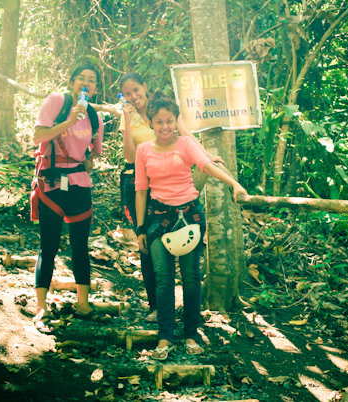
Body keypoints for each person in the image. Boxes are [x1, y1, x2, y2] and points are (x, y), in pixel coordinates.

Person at [95, 72, 222, 322]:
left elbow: (186, 138)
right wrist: (126, 121)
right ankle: (156, 305)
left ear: (145, 86)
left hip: (169, 187)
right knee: (147, 243)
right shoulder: (128, 117)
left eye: (136, 90)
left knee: (179, 243)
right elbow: (130, 156)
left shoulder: (163, 111)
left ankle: (187, 314)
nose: (133, 96)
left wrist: (205, 156)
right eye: (127, 93)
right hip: (139, 184)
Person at [134, 94, 247, 360]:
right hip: (158, 219)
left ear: (176, 121)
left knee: (191, 279)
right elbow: (141, 190)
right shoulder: (144, 150)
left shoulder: (185, 143)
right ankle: (165, 337)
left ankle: (191, 335)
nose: (164, 127)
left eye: (169, 121)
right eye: (159, 121)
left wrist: (233, 183)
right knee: (163, 279)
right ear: (151, 122)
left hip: (188, 216)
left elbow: (205, 165)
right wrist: (140, 228)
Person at [30, 63, 104, 332]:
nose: (85, 83)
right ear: (72, 82)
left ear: (95, 89)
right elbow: (38, 136)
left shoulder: (95, 117)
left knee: (80, 246)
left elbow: (93, 153)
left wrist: (87, 161)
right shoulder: (56, 102)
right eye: (81, 78)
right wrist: (70, 121)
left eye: (91, 80)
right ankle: (41, 306)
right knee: (48, 245)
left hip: (79, 184)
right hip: (51, 181)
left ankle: (83, 304)